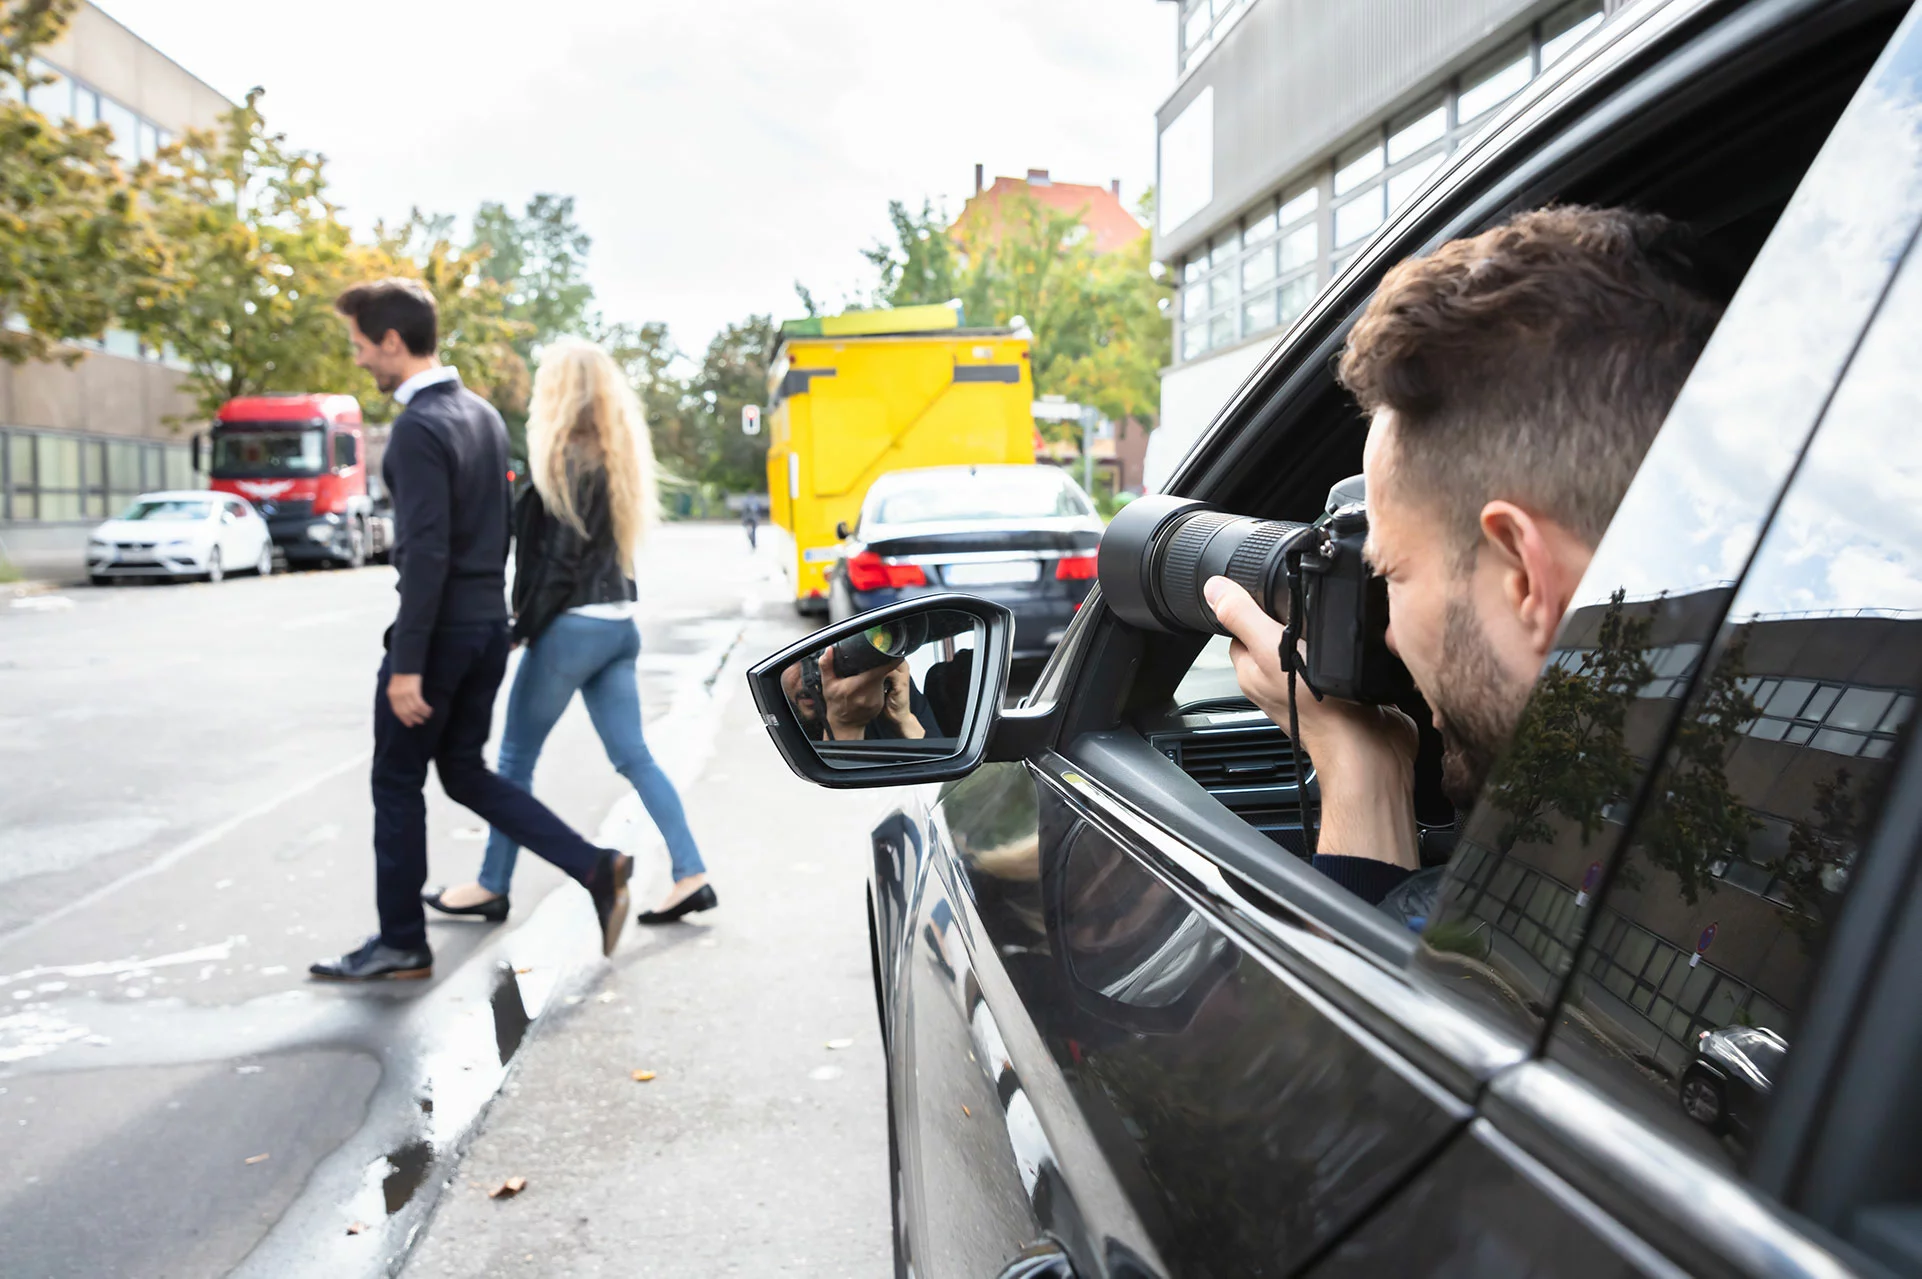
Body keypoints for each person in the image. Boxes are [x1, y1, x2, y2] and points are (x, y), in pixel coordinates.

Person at [1205, 206, 1724, 905]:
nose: (1385, 631)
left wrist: (1358, 776)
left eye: (1391, 572)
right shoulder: (1717, 826)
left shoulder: (1562, 893)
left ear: (1526, 579)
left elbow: (1364, 1017)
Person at [310, 282, 633, 981]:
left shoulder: (420, 429)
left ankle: (401, 941)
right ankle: (594, 865)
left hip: (439, 636)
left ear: (392, 340)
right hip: (486, 629)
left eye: (361, 344)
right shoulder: (483, 416)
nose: (360, 358)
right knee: (461, 770)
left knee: (396, 780)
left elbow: (424, 552)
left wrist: (406, 664)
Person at [422, 339, 715, 928]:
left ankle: (491, 885)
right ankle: (691, 874)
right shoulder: (616, 455)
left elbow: (556, 566)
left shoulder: (562, 457)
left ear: (559, 390)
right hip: (616, 624)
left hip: (572, 628)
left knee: (512, 761)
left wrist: (518, 627)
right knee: (634, 757)